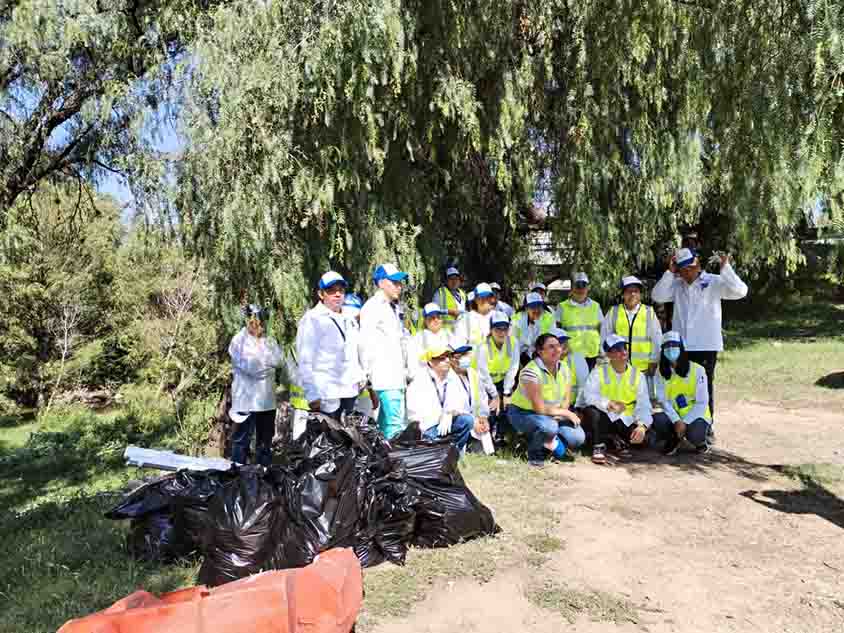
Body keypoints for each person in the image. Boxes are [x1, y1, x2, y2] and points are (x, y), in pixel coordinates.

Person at [652, 247, 748, 421]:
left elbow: (741, 291)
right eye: (682, 269)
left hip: (706, 345)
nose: (687, 272)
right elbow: (657, 295)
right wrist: (669, 273)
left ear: (697, 264)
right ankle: (681, 424)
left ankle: (705, 425)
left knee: (704, 387)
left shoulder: (714, 282)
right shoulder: (676, 285)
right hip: (682, 346)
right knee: (679, 384)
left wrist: (726, 269)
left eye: (690, 267)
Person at [507, 333, 585, 467]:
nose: (557, 350)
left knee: (578, 438)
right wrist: (565, 413)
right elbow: (538, 408)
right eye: (551, 347)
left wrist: (561, 412)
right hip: (523, 413)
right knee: (549, 427)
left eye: (558, 346)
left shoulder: (564, 368)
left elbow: (566, 398)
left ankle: (544, 444)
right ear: (540, 351)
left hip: (551, 415)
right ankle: (534, 454)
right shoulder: (530, 371)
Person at [295, 271, 365, 420]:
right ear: (321, 294)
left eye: (340, 290)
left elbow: (353, 352)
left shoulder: (349, 318)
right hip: (327, 394)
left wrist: (360, 378)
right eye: (331, 291)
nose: (337, 294)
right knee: (329, 440)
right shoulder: (312, 319)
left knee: (349, 440)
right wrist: (312, 394)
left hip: (349, 391)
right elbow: (305, 360)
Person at [582, 334, 653, 464]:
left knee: (644, 441)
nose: (623, 352)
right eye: (617, 349)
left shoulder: (638, 375)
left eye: (624, 348)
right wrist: (607, 403)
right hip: (606, 417)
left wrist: (642, 425)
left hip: (626, 419)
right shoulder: (598, 372)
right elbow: (588, 395)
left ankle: (613, 441)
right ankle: (599, 446)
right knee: (591, 412)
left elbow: (644, 405)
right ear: (608, 355)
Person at [228, 304, 283, 466]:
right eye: (253, 319)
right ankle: (236, 477)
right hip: (246, 401)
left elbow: (279, 361)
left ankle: (262, 477)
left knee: (265, 443)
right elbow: (251, 369)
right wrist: (267, 364)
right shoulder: (239, 341)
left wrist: (264, 363)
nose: (257, 323)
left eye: (260, 319)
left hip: (267, 401)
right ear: (247, 320)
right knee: (241, 441)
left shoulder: (270, 340)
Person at [360, 263, 410, 439]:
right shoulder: (373, 307)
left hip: (396, 375)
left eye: (400, 282)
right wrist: (366, 375)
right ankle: (397, 463)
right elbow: (365, 343)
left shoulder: (394, 307)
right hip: (385, 376)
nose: (399, 286)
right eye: (394, 282)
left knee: (384, 425)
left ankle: (381, 462)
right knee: (396, 425)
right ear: (381, 283)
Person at [652, 331, 712, 455]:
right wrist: (677, 421)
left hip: (696, 415)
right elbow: (662, 400)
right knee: (657, 419)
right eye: (667, 346)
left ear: (682, 348)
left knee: (695, 433)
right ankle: (674, 439)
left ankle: (700, 442)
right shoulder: (660, 372)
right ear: (662, 350)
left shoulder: (698, 370)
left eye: (674, 345)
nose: (671, 349)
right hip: (674, 414)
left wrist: (685, 422)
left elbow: (702, 402)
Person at [405, 346, 475, 453]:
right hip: (426, 430)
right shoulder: (420, 381)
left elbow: (459, 403)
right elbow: (415, 417)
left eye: (448, 356)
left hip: (445, 425)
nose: (447, 360)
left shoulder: (452, 377)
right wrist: (438, 419)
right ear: (431, 362)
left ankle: (452, 455)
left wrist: (449, 413)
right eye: (441, 358)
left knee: (467, 420)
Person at [601, 275, 662, 376]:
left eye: (636, 291)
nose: (633, 294)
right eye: (629, 291)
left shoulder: (648, 312)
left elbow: (657, 339)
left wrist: (654, 361)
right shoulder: (613, 312)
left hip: (643, 369)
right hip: (618, 368)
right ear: (623, 294)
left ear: (640, 294)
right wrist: (606, 360)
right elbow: (605, 338)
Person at [476, 310, 520, 440]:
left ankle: (501, 436)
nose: (502, 332)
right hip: (485, 383)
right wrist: (495, 395)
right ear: (491, 330)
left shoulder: (513, 343)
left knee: (507, 406)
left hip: (504, 381)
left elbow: (513, 368)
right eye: (498, 329)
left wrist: (506, 393)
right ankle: (487, 435)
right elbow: (483, 374)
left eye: (505, 328)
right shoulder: (483, 347)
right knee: (491, 408)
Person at [449, 344, 494, 453]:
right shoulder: (449, 377)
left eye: (467, 355)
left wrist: (484, 417)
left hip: (476, 420)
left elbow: (482, 397)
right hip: (457, 421)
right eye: (462, 356)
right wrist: (474, 422)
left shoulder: (473, 373)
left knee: (484, 452)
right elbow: (453, 407)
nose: (466, 359)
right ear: (453, 359)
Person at [557, 272, 603, 370]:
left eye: (583, 286)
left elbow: (602, 329)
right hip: (571, 355)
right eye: (577, 285)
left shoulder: (596, 306)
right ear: (572, 288)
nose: (580, 289)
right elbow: (556, 330)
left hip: (592, 355)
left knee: (589, 384)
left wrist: (602, 350)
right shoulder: (562, 307)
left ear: (587, 288)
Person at [406, 302, 451, 381]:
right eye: (432, 317)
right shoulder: (417, 339)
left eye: (438, 317)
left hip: (448, 380)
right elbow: (412, 367)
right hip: (426, 381)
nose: (436, 320)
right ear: (425, 321)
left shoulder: (448, 335)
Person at [513, 292, 556, 363]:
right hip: (520, 355)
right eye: (533, 307)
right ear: (526, 308)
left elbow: (552, 341)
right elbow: (514, 344)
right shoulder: (517, 320)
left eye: (539, 306)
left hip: (543, 354)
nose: (537, 310)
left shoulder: (549, 318)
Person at [552, 327, 589, 412]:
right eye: (559, 342)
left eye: (565, 341)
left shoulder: (576, 358)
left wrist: (578, 409)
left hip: (573, 406)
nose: (564, 345)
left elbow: (583, 386)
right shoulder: (544, 362)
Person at [451, 282, 496, 349]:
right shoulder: (465, 320)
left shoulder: (498, 316)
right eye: (481, 297)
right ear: (476, 300)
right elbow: (458, 346)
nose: (485, 300)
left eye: (488, 297)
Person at [433, 266, 467, 332]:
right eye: (451, 279)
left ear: (459, 280)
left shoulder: (463, 294)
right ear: (446, 281)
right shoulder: (440, 293)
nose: (454, 281)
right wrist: (449, 312)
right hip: (445, 333)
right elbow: (433, 311)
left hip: (461, 332)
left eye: (456, 279)